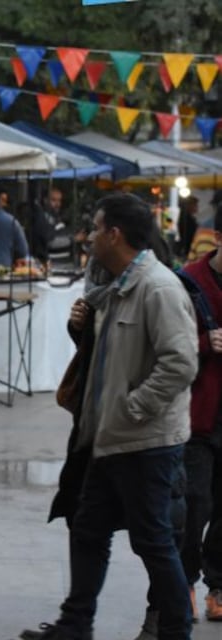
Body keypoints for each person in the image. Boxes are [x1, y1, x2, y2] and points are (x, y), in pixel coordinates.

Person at [19, 193, 199, 640]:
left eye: (96, 229)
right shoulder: (116, 288)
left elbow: (180, 363)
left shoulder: (157, 287)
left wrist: (133, 407)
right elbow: (107, 357)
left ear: (115, 234)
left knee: (154, 542)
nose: (89, 237)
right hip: (106, 438)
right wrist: (81, 329)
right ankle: (75, 625)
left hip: (145, 442)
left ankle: (176, 631)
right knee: (87, 529)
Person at [179, 208, 222, 623]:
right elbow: (165, 342)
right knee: (195, 503)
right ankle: (184, 583)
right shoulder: (188, 280)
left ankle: (218, 584)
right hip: (198, 412)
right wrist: (206, 342)